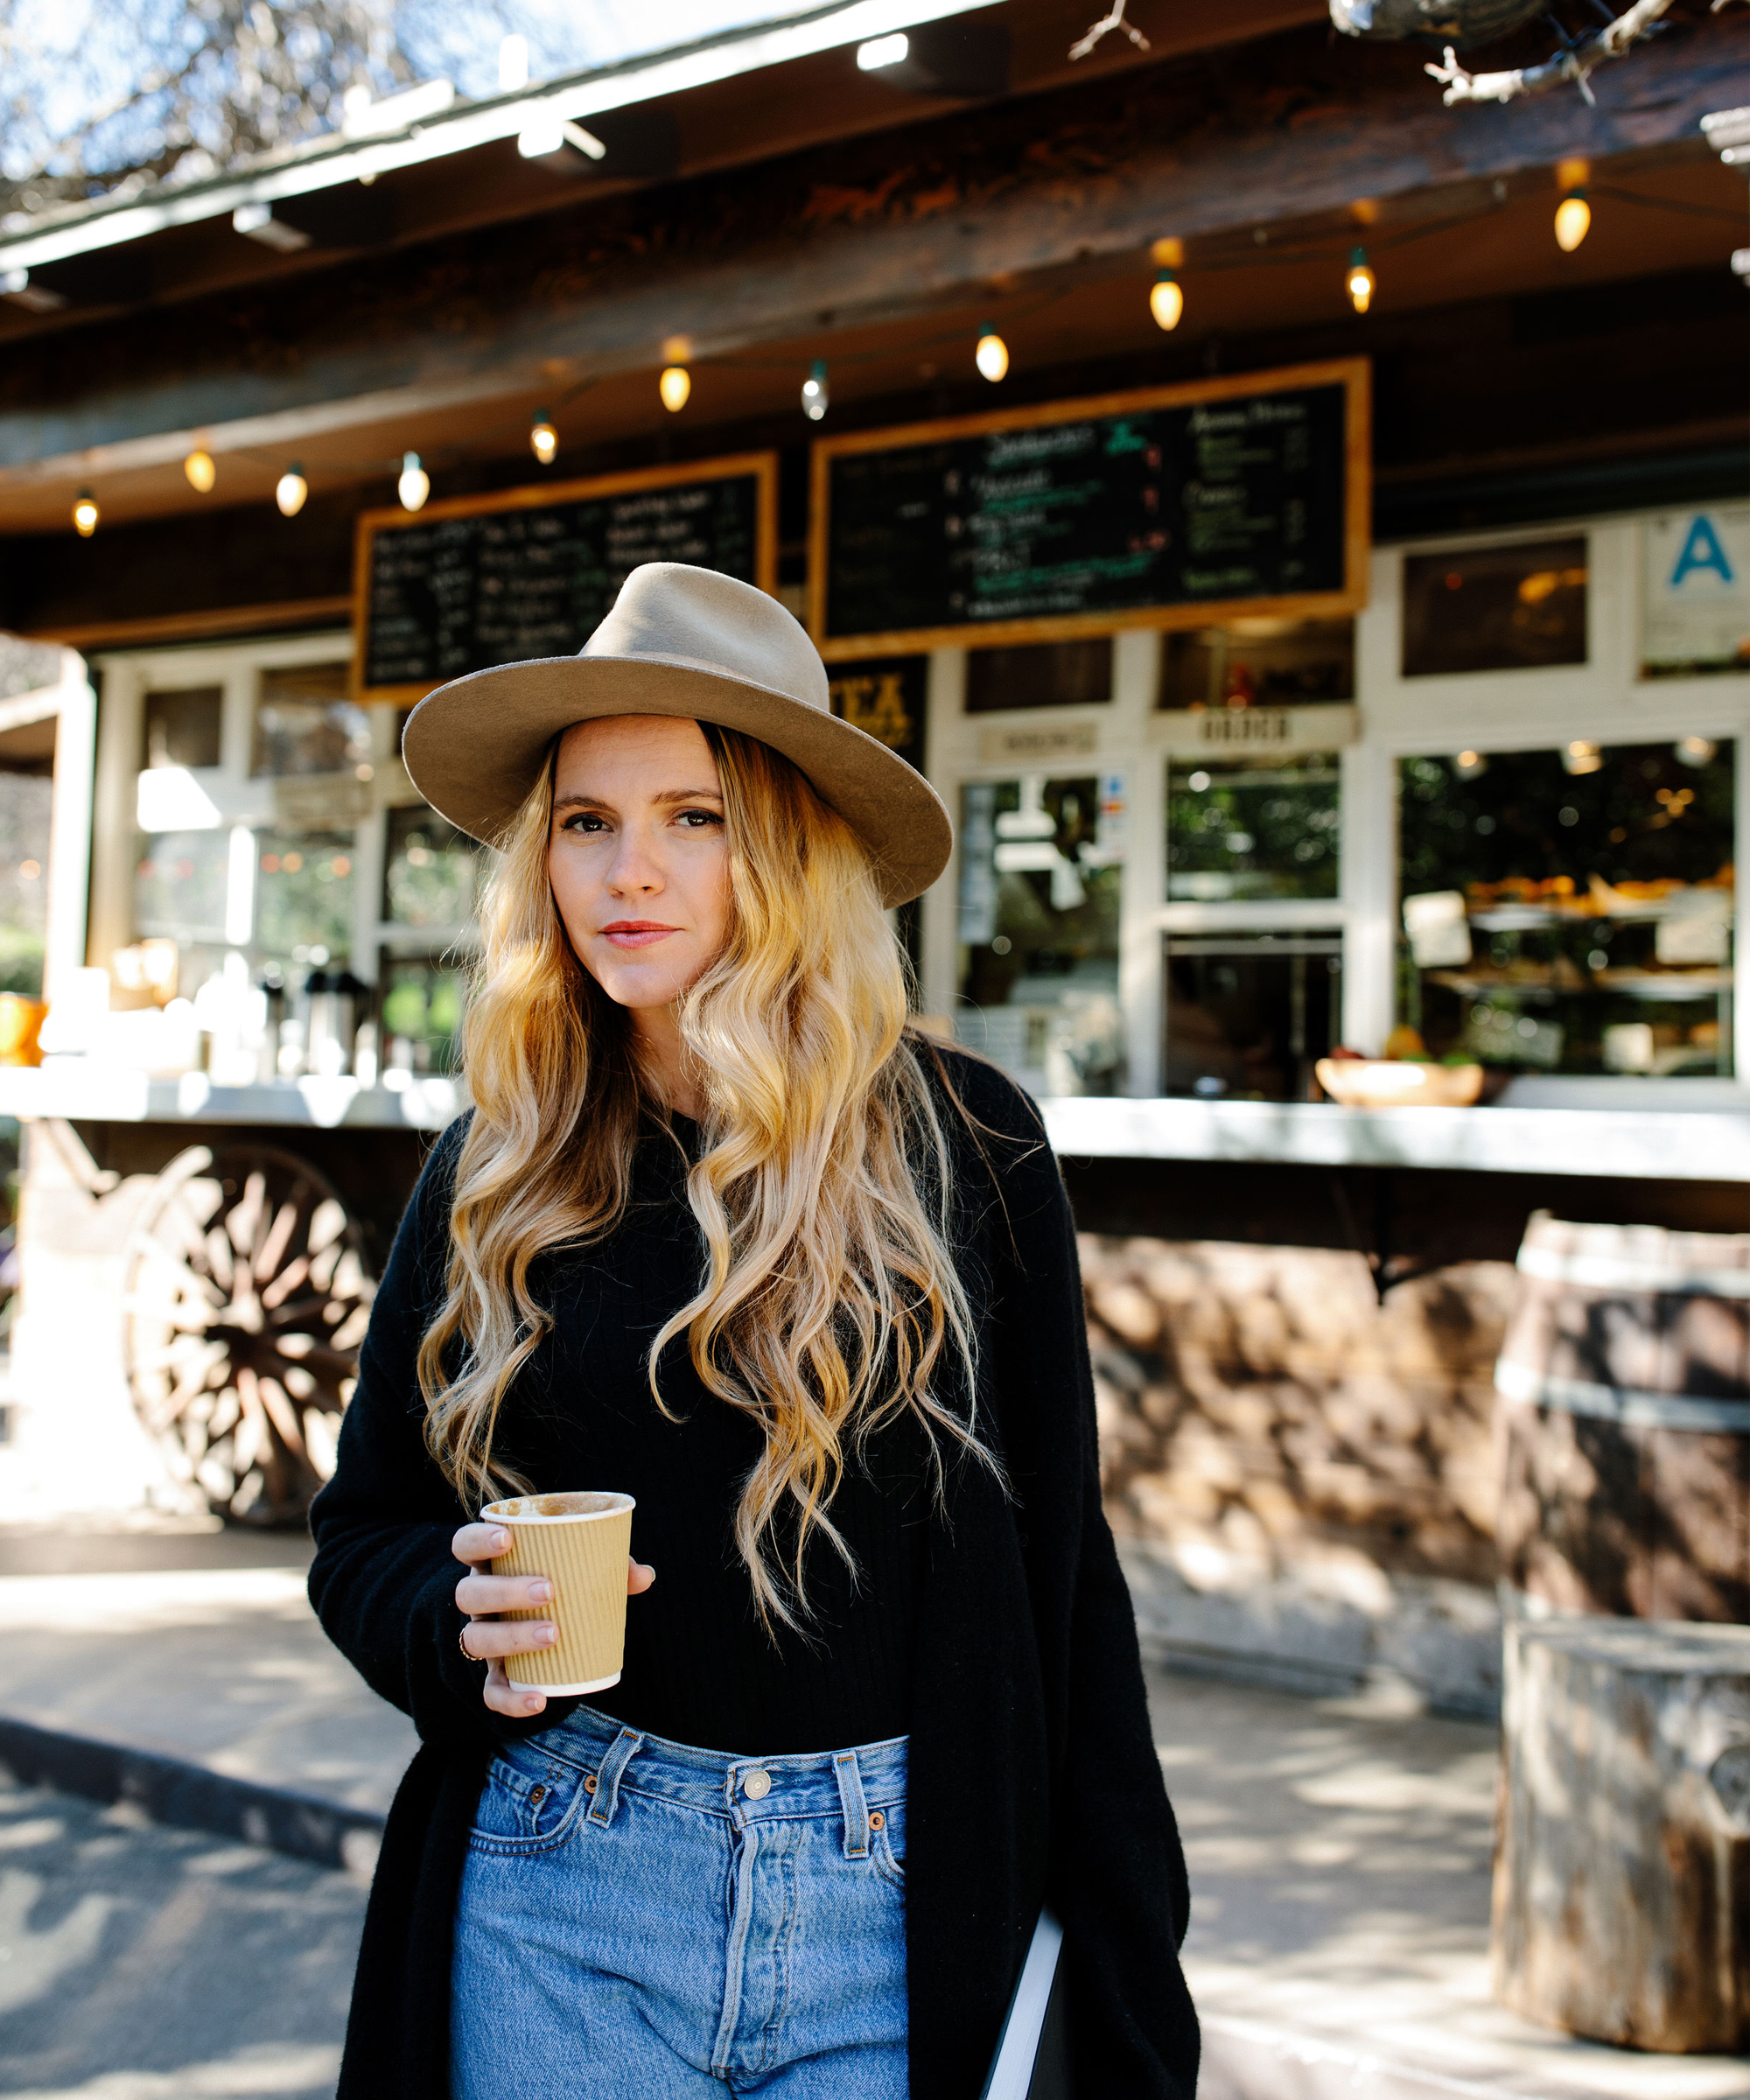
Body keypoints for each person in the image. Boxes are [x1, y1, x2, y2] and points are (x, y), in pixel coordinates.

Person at [308, 563, 1199, 2100]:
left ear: (784, 848)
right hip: (565, 1881)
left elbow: (1065, 1584)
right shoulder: (500, 1166)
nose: (628, 872)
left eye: (693, 817)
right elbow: (365, 1532)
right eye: (586, 822)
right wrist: (455, 1623)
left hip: (895, 1908)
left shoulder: (966, 1147)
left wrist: (1131, 1985)